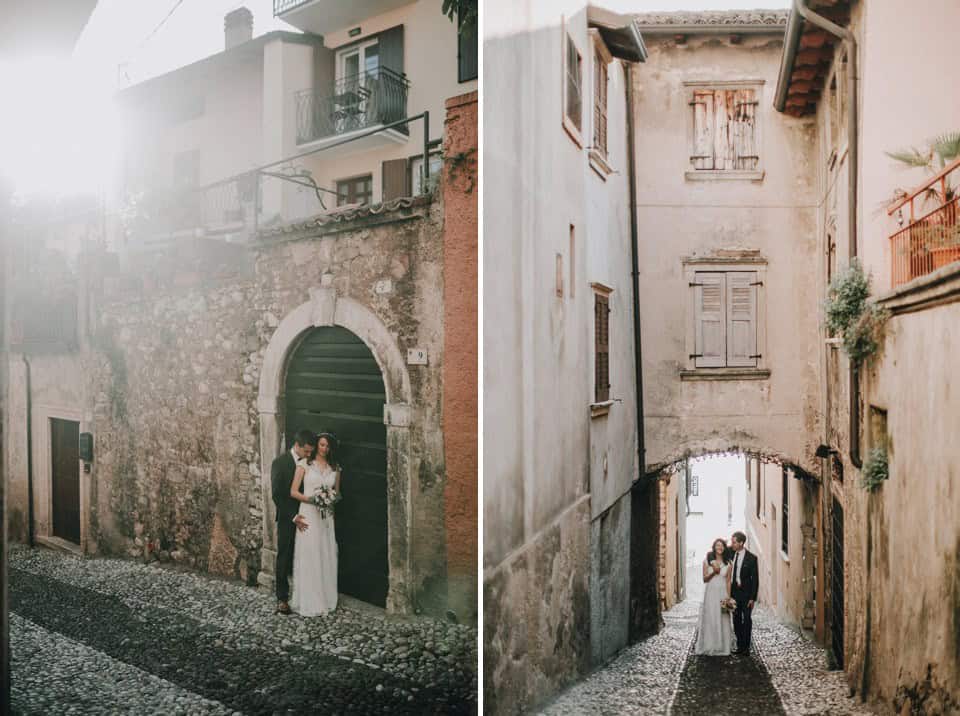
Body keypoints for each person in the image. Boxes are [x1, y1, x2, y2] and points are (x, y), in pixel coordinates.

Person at [289, 432, 341, 616]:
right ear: (316, 445)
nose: (325, 449)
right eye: (322, 445)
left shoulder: (335, 468)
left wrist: (329, 500)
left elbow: (338, 494)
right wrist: (313, 500)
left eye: (328, 446)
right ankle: (310, 600)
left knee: (325, 552)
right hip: (309, 513)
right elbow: (293, 492)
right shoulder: (304, 465)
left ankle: (326, 597)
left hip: (326, 517)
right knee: (310, 553)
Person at [271, 429, 315, 615]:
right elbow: (277, 495)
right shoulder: (279, 463)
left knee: (307, 556)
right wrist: (293, 516)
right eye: (306, 451)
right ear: (296, 446)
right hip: (288, 517)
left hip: (308, 516)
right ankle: (282, 598)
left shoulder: (310, 463)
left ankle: (306, 595)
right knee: (284, 555)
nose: (308, 454)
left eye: (310, 451)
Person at [694, 538, 734, 656]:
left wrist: (729, 597)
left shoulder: (729, 563)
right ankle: (710, 645)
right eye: (717, 546)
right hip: (711, 592)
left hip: (722, 593)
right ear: (714, 547)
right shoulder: (707, 561)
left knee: (723, 617)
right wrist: (713, 572)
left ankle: (723, 646)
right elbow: (704, 579)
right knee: (711, 616)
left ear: (724, 548)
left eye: (721, 546)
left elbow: (728, 581)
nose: (719, 548)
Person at [729, 530, 759, 655]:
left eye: (734, 542)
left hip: (747, 594)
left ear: (741, 543)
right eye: (732, 542)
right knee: (736, 619)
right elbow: (717, 551)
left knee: (746, 619)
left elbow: (755, 579)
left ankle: (746, 648)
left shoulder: (751, 558)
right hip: (735, 593)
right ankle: (740, 645)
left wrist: (753, 598)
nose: (732, 544)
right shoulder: (731, 554)